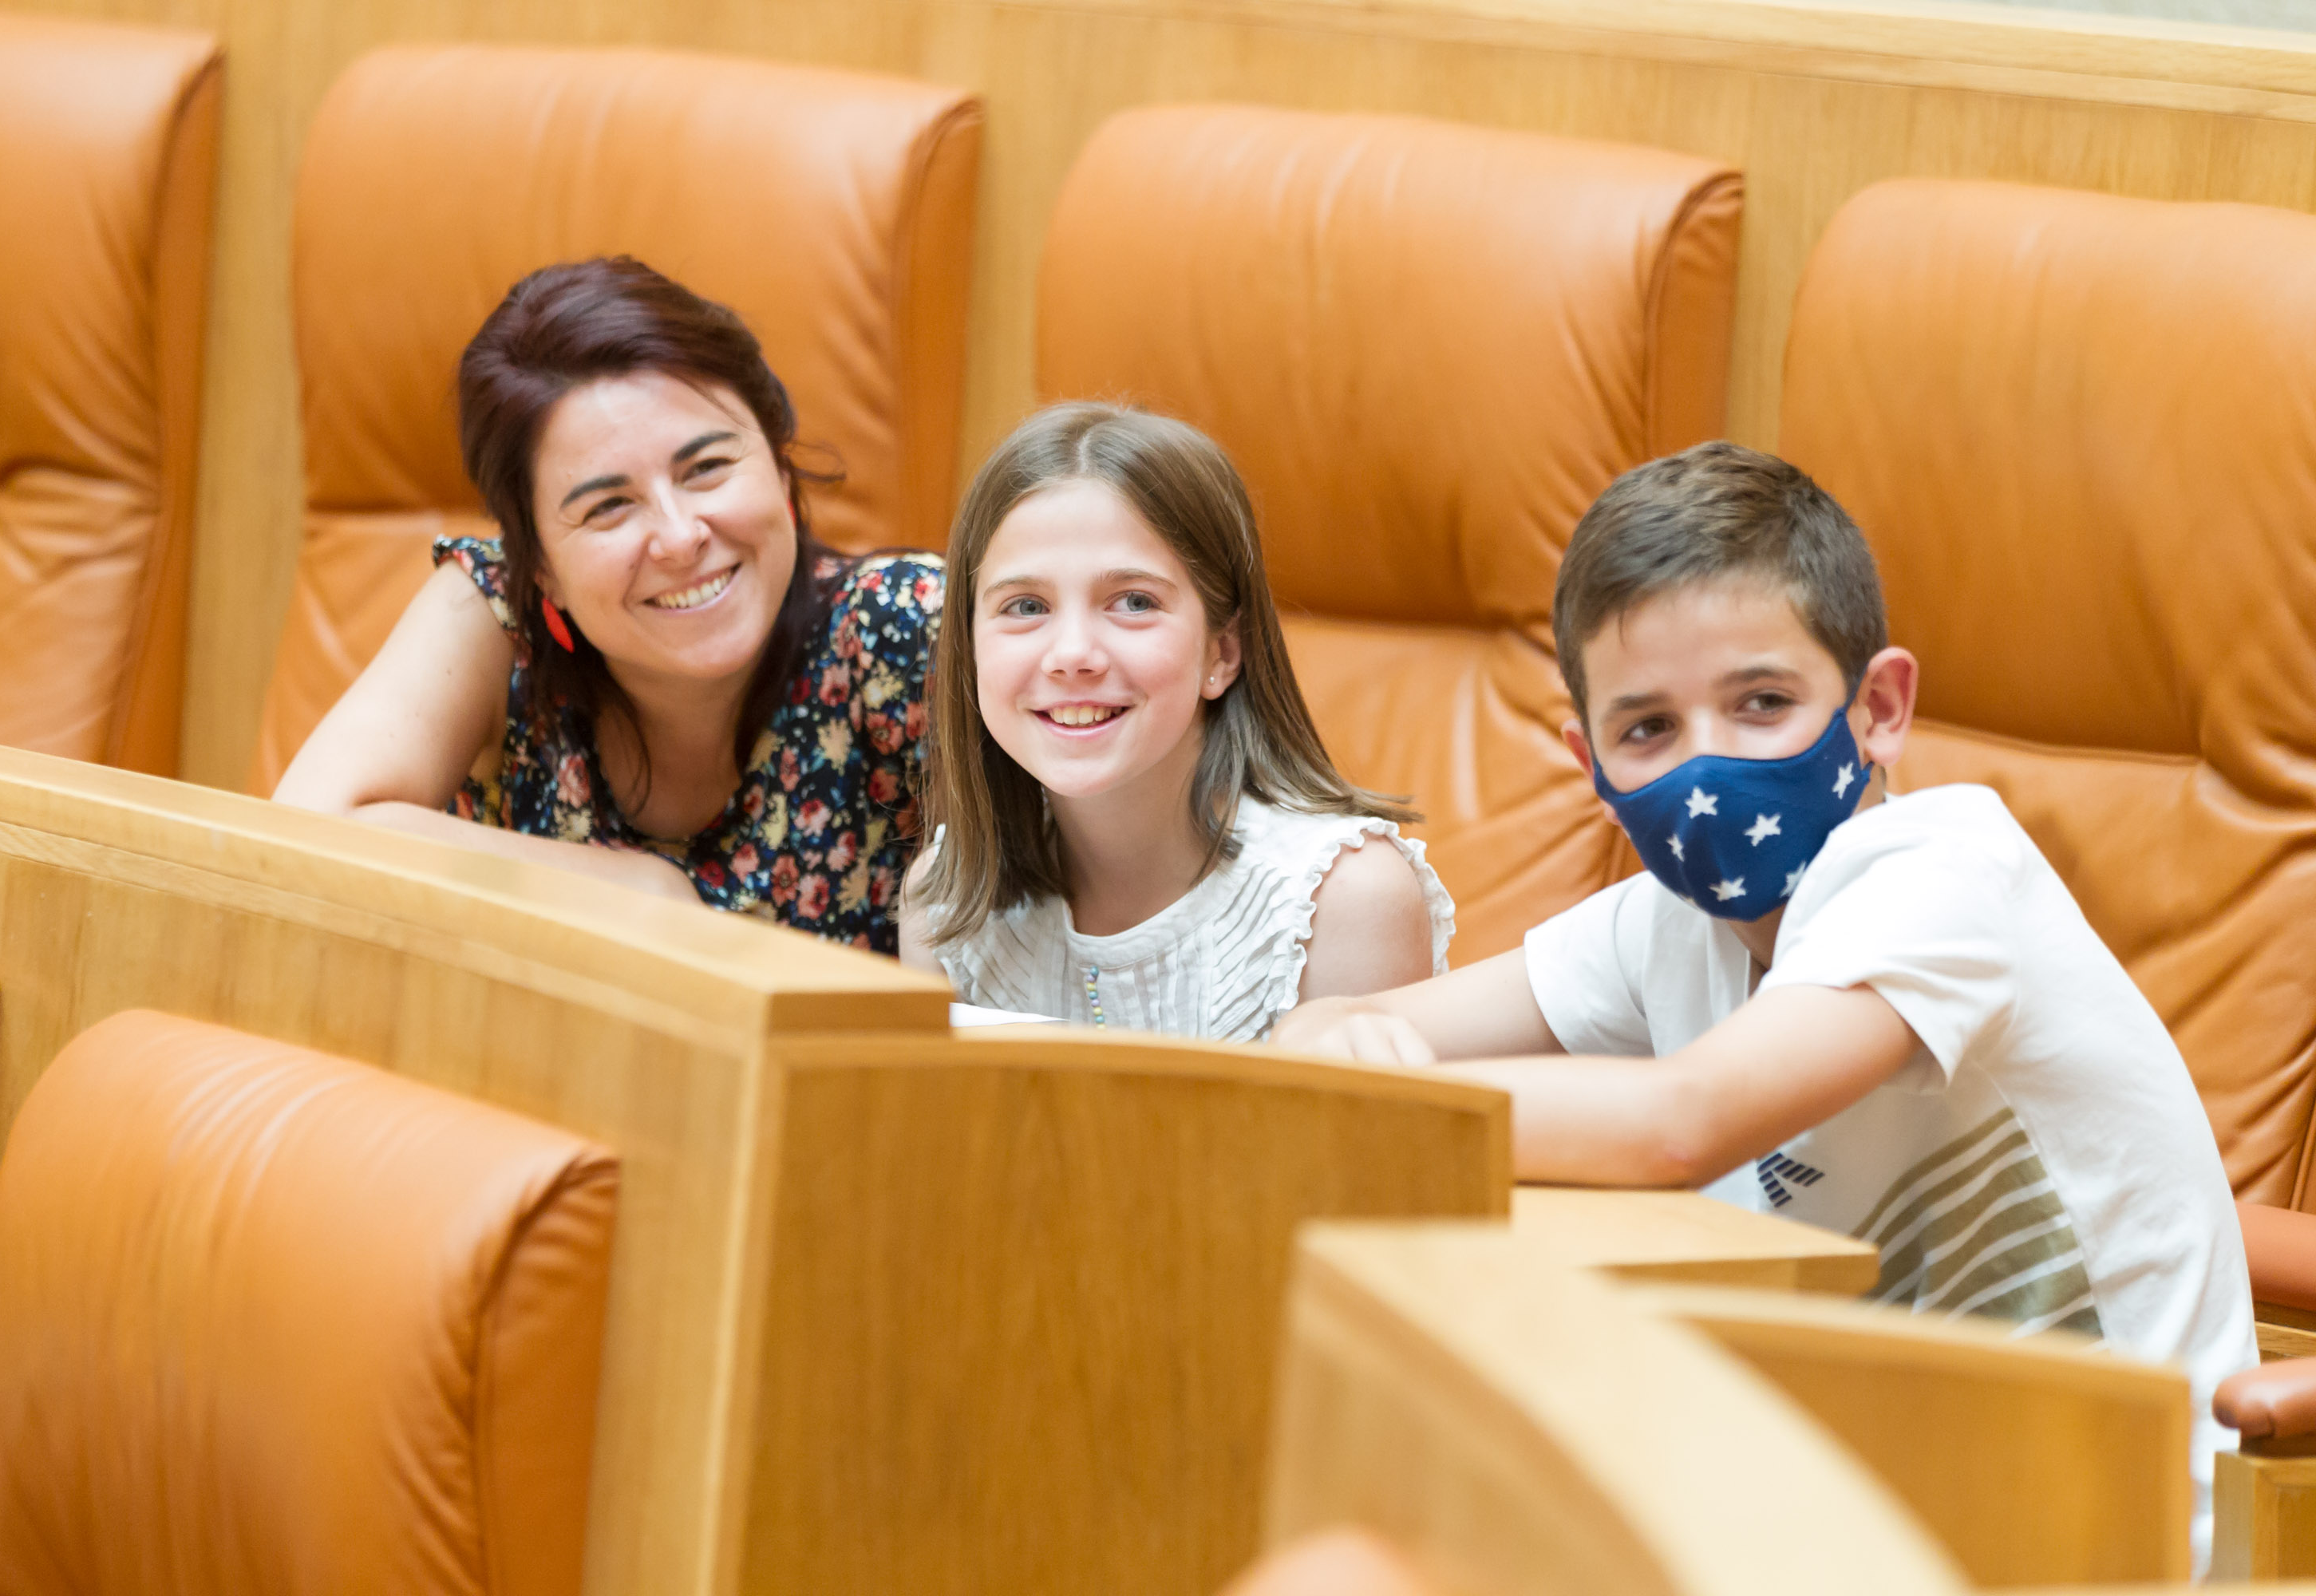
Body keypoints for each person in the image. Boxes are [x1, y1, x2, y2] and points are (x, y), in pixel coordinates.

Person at [1273, 440, 2254, 1565]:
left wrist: (1383, 1089)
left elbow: (1681, 1122)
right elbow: (1354, 1033)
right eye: (1648, 729)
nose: (1707, 770)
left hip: (2112, 1541)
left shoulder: (1946, 875)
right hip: (1857, 1504)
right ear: (1590, 761)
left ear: (1879, 707)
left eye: (1763, 703)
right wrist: (1330, 1035)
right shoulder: (1661, 925)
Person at [275, 257, 939, 952]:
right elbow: (300, 835)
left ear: (777, 464)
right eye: (609, 506)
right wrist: (639, 890)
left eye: (707, 468)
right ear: (541, 569)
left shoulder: (903, 626)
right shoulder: (496, 617)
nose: (679, 538)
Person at [899, 403, 1453, 1041]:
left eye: (1134, 602)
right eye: (1026, 606)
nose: (1072, 654)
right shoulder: (942, 901)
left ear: (1222, 652)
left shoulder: (1347, 900)